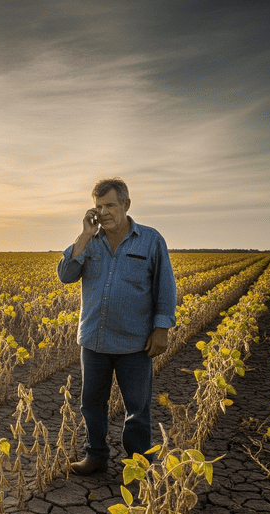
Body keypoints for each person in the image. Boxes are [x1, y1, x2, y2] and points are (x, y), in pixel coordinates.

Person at [56, 177, 176, 475]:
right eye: (98, 206)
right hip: (94, 339)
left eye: (110, 204)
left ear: (126, 204)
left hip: (134, 342)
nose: (104, 211)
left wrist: (161, 329)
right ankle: (96, 456)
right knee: (92, 404)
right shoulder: (89, 241)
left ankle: (138, 466)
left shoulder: (150, 240)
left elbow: (165, 286)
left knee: (137, 409)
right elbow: (66, 275)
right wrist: (84, 236)